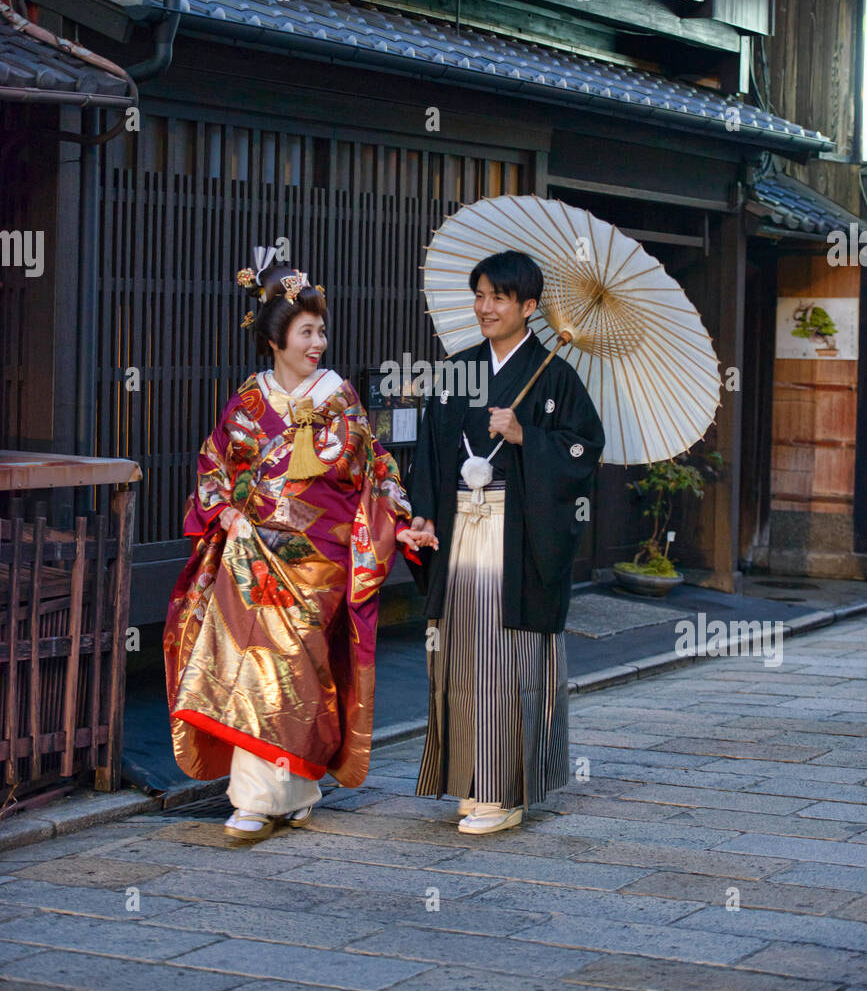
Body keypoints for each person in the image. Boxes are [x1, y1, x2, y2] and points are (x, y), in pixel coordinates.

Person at [163, 247, 434, 845]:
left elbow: (376, 468)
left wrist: (406, 515)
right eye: (306, 331)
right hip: (254, 550)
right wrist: (228, 510)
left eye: (321, 331)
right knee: (250, 661)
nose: (318, 342)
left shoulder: (339, 399)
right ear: (275, 339)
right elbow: (213, 468)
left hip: (322, 559)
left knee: (303, 671)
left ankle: (292, 789)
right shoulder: (249, 402)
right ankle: (259, 798)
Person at [406, 248, 605, 834]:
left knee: (504, 660)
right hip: (462, 528)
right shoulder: (456, 371)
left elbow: (583, 451)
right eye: (480, 294)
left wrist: (526, 437)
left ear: (529, 307)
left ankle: (505, 790)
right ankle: (471, 782)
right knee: (460, 654)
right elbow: (431, 457)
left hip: (517, 538)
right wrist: (423, 515)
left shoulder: (556, 376)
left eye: (498, 296)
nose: (484, 306)